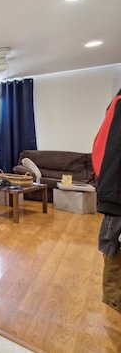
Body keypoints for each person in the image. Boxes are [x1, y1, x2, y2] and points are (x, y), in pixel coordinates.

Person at [92, 87, 121, 313]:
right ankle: (115, 303)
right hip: (115, 191)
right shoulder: (118, 103)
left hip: (112, 189)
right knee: (113, 247)